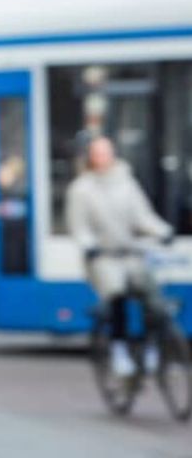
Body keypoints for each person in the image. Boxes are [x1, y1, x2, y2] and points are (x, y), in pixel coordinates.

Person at [66, 136, 173, 377]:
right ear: (90, 157)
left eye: (107, 152)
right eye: (98, 153)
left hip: (130, 253)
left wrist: (163, 231)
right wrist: (89, 246)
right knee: (117, 295)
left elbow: (142, 216)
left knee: (152, 297)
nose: (103, 157)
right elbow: (79, 226)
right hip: (103, 257)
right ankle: (119, 350)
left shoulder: (127, 183)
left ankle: (151, 348)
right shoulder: (81, 189)